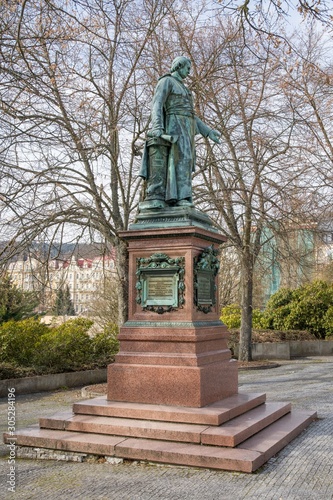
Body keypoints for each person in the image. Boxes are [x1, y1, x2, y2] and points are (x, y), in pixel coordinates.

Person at [139, 56, 220, 209]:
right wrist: (157, 128)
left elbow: (191, 115)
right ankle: (179, 197)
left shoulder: (185, 89)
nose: (188, 72)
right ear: (179, 66)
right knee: (179, 160)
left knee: (186, 161)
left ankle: (184, 196)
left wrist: (208, 131)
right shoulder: (166, 81)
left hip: (187, 127)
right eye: (187, 69)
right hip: (174, 124)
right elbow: (157, 104)